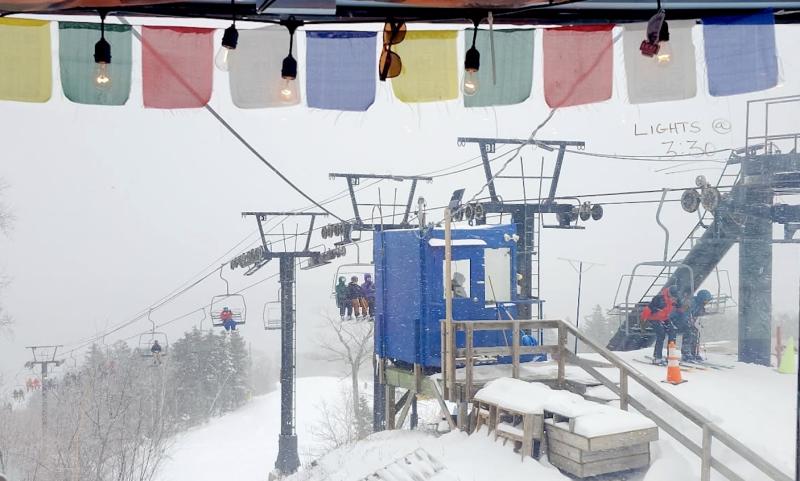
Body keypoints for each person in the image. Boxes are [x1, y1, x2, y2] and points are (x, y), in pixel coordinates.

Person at [640, 285, 676, 364]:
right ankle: (657, 356)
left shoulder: (674, 299)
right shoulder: (659, 299)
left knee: (672, 332)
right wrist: (643, 322)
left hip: (664, 318)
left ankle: (671, 356)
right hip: (654, 318)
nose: (673, 298)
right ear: (669, 292)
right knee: (661, 334)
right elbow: (648, 309)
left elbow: (679, 308)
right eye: (672, 295)